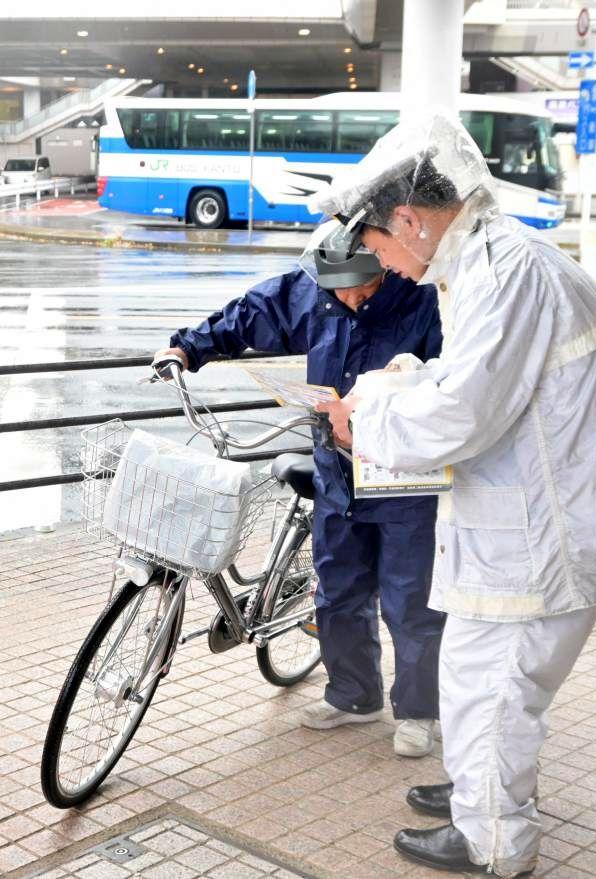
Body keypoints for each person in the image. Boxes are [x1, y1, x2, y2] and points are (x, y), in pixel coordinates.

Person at [313, 114, 596, 877]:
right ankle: (479, 793)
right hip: (543, 519)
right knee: (484, 680)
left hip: (545, 535)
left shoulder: (507, 273)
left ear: (409, 219)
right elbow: (478, 383)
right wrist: (406, 381)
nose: (382, 264)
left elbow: (463, 411)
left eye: (376, 244)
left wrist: (367, 416)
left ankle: (492, 840)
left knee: (493, 686)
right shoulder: (493, 263)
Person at [155, 220, 445, 757]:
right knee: (338, 590)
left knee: (411, 600)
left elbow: (453, 380)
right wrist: (186, 350)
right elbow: (251, 313)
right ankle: (353, 696)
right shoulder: (313, 290)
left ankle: (420, 711)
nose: (350, 297)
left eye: (362, 287)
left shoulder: (423, 299)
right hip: (336, 470)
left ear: (386, 266)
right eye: (337, 289)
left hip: (405, 476)